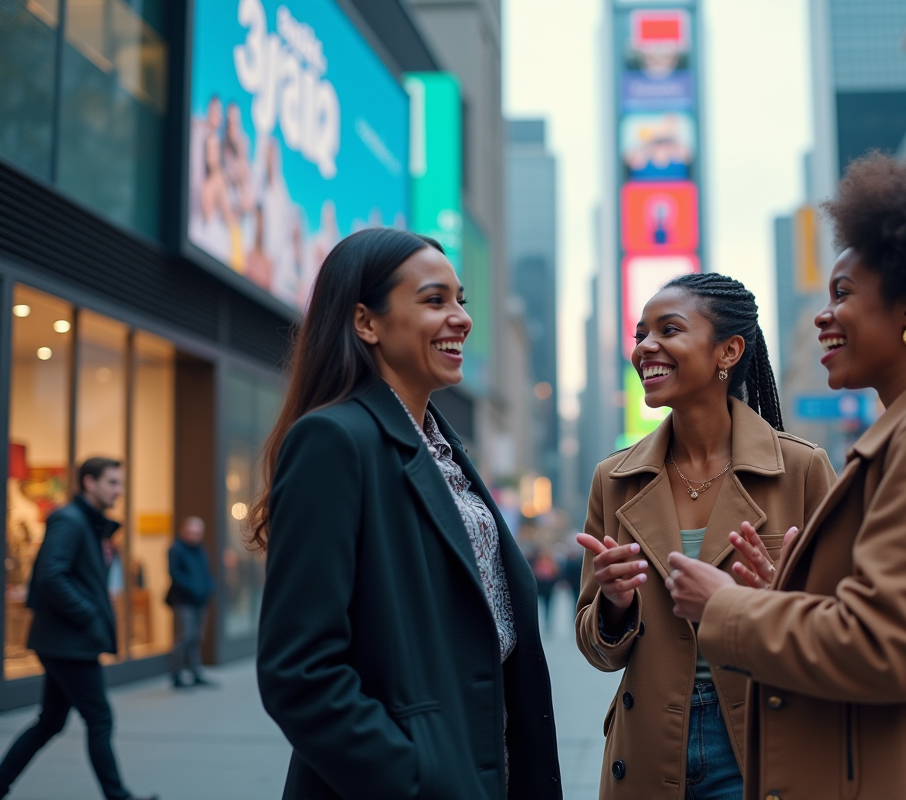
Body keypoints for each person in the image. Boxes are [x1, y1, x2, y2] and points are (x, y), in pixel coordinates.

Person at [665, 146, 906, 799]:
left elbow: (886, 646)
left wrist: (726, 608)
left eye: (843, 293)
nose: (824, 314)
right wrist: (781, 601)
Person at [253, 228, 560, 799]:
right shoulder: (334, 440)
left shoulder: (443, 448)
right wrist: (416, 780)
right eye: (434, 300)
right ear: (366, 322)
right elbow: (298, 672)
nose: (462, 318)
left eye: (461, 300)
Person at [575, 272, 836, 800]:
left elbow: (843, 627)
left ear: (729, 351)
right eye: (640, 334)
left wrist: (771, 603)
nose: (646, 347)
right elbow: (597, 650)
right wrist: (613, 606)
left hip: (760, 741)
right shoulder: (614, 479)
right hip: (646, 745)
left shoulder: (802, 469)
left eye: (668, 330)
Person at [0, 458, 156, 800]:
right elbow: (51, 575)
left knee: (50, 722)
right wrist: (87, 615)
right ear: (89, 482)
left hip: (65, 640)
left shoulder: (86, 523)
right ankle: (118, 796)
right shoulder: (70, 520)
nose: (119, 490)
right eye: (112, 482)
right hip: (68, 641)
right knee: (99, 718)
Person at [166, 516, 215, 689]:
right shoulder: (176, 549)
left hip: (201, 600)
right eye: (192, 532)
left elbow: (206, 571)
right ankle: (176, 673)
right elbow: (175, 574)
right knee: (186, 636)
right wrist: (193, 588)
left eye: (198, 533)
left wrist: (209, 587)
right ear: (184, 531)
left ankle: (196, 673)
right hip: (184, 600)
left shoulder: (201, 549)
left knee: (196, 637)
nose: (195, 536)